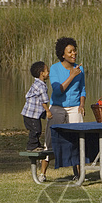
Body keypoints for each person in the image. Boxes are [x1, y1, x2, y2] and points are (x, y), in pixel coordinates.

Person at [39, 37, 86, 181]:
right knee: (50, 140)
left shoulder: (80, 69)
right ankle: (42, 173)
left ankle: (77, 174)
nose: (74, 54)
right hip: (58, 108)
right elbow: (58, 91)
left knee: (78, 141)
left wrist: (82, 105)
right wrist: (72, 76)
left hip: (75, 108)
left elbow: (82, 89)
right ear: (63, 54)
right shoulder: (54, 68)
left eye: (74, 50)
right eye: (70, 52)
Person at [21, 61, 52, 152]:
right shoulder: (40, 86)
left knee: (36, 129)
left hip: (32, 114)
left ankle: (36, 145)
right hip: (31, 114)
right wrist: (48, 111)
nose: (48, 73)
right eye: (47, 71)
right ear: (42, 74)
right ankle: (32, 146)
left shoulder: (38, 84)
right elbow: (43, 100)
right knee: (36, 130)